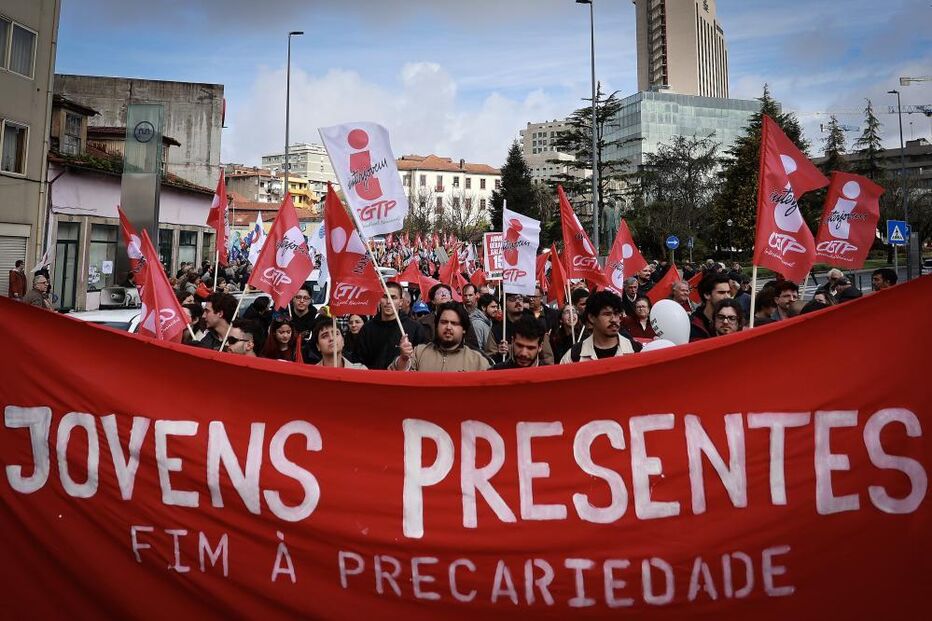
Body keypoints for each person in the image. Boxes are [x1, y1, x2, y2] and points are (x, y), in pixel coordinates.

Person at [392, 302, 490, 372]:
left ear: (464, 329)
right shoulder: (419, 353)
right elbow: (396, 378)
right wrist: (404, 359)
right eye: (444, 322)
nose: (448, 327)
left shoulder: (477, 361)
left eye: (454, 323)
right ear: (436, 325)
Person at [355, 281, 427, 370]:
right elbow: (359, 361)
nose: (388, 301)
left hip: (402, 381)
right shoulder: (367, 329)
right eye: (385, 297)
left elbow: (422, 360)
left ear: (401, 302)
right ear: (379, 300)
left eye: (393, 297)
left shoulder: (415, 328)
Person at [561, 290, 639, 363]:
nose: (614, 320)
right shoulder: (574, 356)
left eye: (616, 313)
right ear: (591, 317)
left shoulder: (636, 350)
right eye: (607, 314)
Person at [690, 273, 732, 342]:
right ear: (707, 295)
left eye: (728, 292)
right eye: (721, 292)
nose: (727, 297)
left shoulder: (733, 321)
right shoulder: (693, 325)